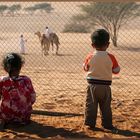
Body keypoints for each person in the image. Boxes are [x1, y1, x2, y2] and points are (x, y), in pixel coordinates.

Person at [83, 29, 120, 130]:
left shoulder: (90, 56)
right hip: (105, 87)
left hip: (92, 86)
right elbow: (116, 70)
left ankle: (90, 124)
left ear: (92, 45)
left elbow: (85, 68)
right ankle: (107, 124)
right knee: (106, 106)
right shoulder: (111, 57)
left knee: (90, 105)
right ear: (108, 44)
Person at [0, 53, 36, 130]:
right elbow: (33, 99)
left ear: (6, 68)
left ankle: (4, 120)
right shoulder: (26, 80)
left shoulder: (2, 81)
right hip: (24, 117)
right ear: (20, 66)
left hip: (6, 116)